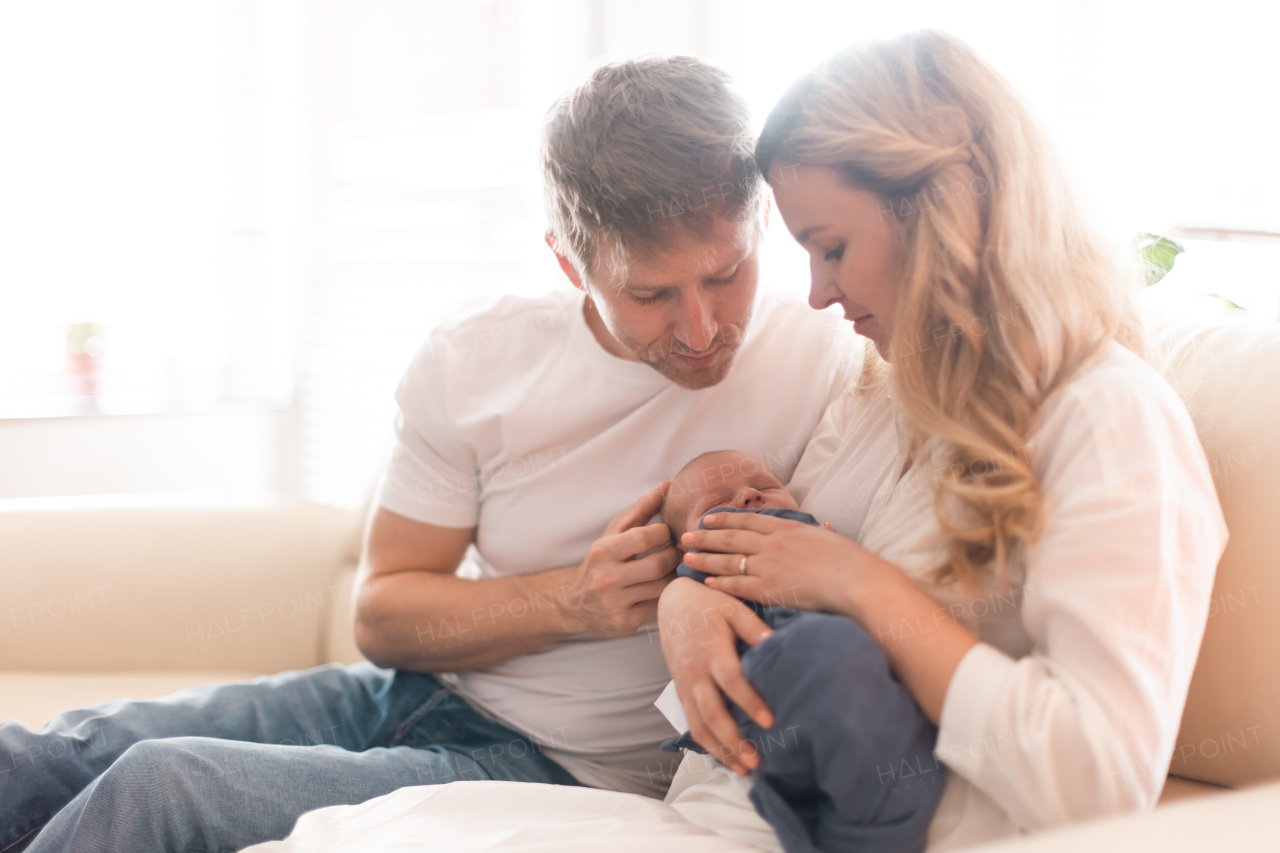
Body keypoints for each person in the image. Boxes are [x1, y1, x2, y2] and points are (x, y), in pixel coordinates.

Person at [0, 57, 853, 853]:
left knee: (156, 787)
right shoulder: (475, 359)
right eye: (651, 293)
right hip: (414, 692)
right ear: (569, 264)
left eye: (727, 272)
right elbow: (382, 616)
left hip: (553, 769)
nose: (703, 329)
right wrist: (575, 601)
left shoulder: (825, 355)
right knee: (41, 755)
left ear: (761, 220)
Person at [658, 30, 1228, 852]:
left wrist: (868, 589)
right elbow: (780, 580)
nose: (817, 293)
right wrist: (688, 602)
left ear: (940, 211)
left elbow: (1099, 779)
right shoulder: (882, 392)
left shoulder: (1109, 421)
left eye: (833, 248)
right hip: (692, 816)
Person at [659, 450, 945, 853]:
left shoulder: (808, 532)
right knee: (826, 656)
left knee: (866, 703)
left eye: (765, 487)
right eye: (716, 505)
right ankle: (870, 834)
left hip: (833, 673)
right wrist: (682, 589)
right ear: (684, 552)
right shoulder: (703, 567)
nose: (747, 495)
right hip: (763, 672)